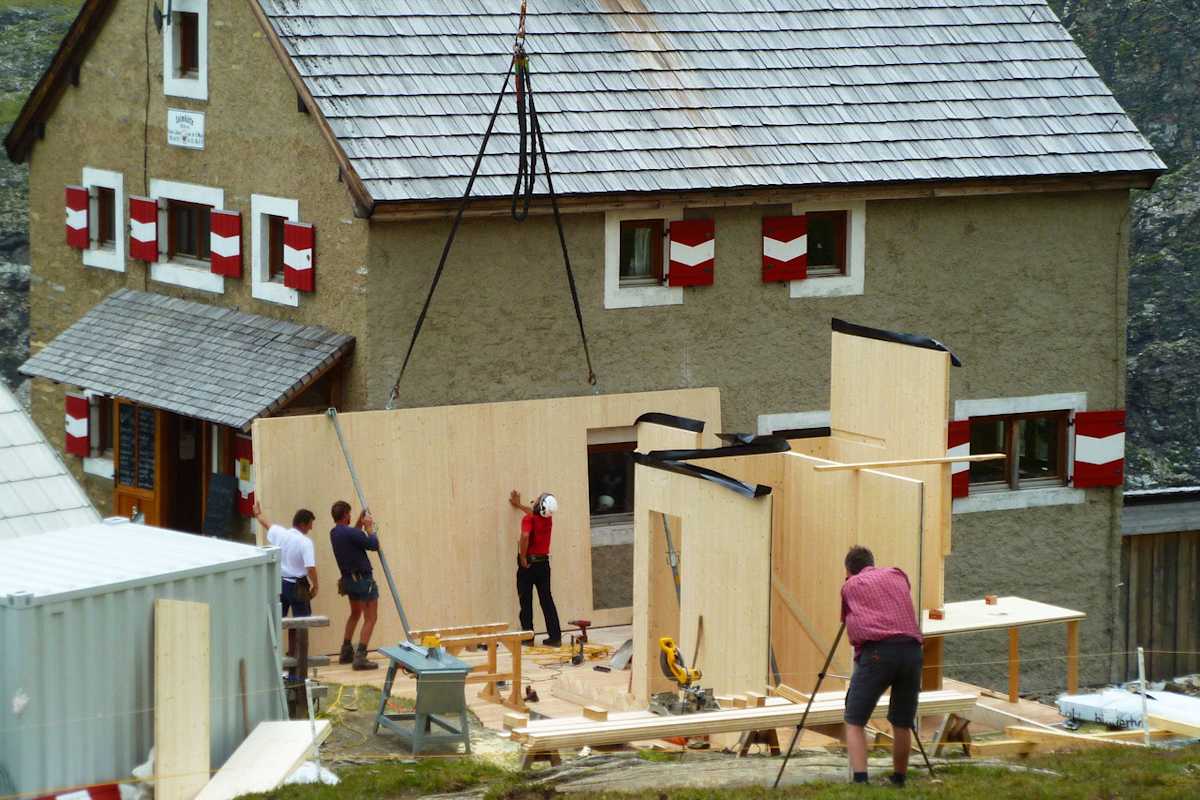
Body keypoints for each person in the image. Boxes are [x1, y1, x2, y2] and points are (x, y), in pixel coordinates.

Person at [841, 545, 924, 787]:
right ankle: (899, 779)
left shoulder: (850, 586)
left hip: (878, 653)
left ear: (849, 570)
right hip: (911, 650)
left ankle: (860, 780)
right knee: (902, 721)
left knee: (854, 718)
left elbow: (850, 627)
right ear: (872, 562)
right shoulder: (898, 574)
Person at [251, 502, 319, 658]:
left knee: (277, 620)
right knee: (301, 623)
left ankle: (272, 655)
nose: (311, 528)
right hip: (298, 586)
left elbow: (266, 523)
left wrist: (257, 513)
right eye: (310, 524)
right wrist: (316, 585)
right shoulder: (305, 542)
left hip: (280, 583)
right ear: (302, 524)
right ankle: (298, 658)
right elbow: (310, 568)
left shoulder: (281, 534)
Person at [329, 500, 380, 670]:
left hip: (349, 581)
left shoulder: (335, 533)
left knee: (355, 613)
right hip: (363, 581)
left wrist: (359, 522)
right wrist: (369, 527)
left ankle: (346, 651)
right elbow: (373, 545)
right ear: (345, 515)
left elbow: (353, 535)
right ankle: (360, 657)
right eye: (349, 514)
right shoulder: (350, 533)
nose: (351, 516)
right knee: (371, 618)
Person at [509, 489, 562, 647]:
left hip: (529, 564)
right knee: (547, 600)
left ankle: (528, 637)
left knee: (526, 600)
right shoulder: (548, 520)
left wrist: (523, 556)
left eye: (539, 499)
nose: (537, 499)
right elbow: (532, 513)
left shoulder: (528, 520)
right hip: (543, 564)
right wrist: (518, 505)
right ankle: (555, 637)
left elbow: (525, 536)